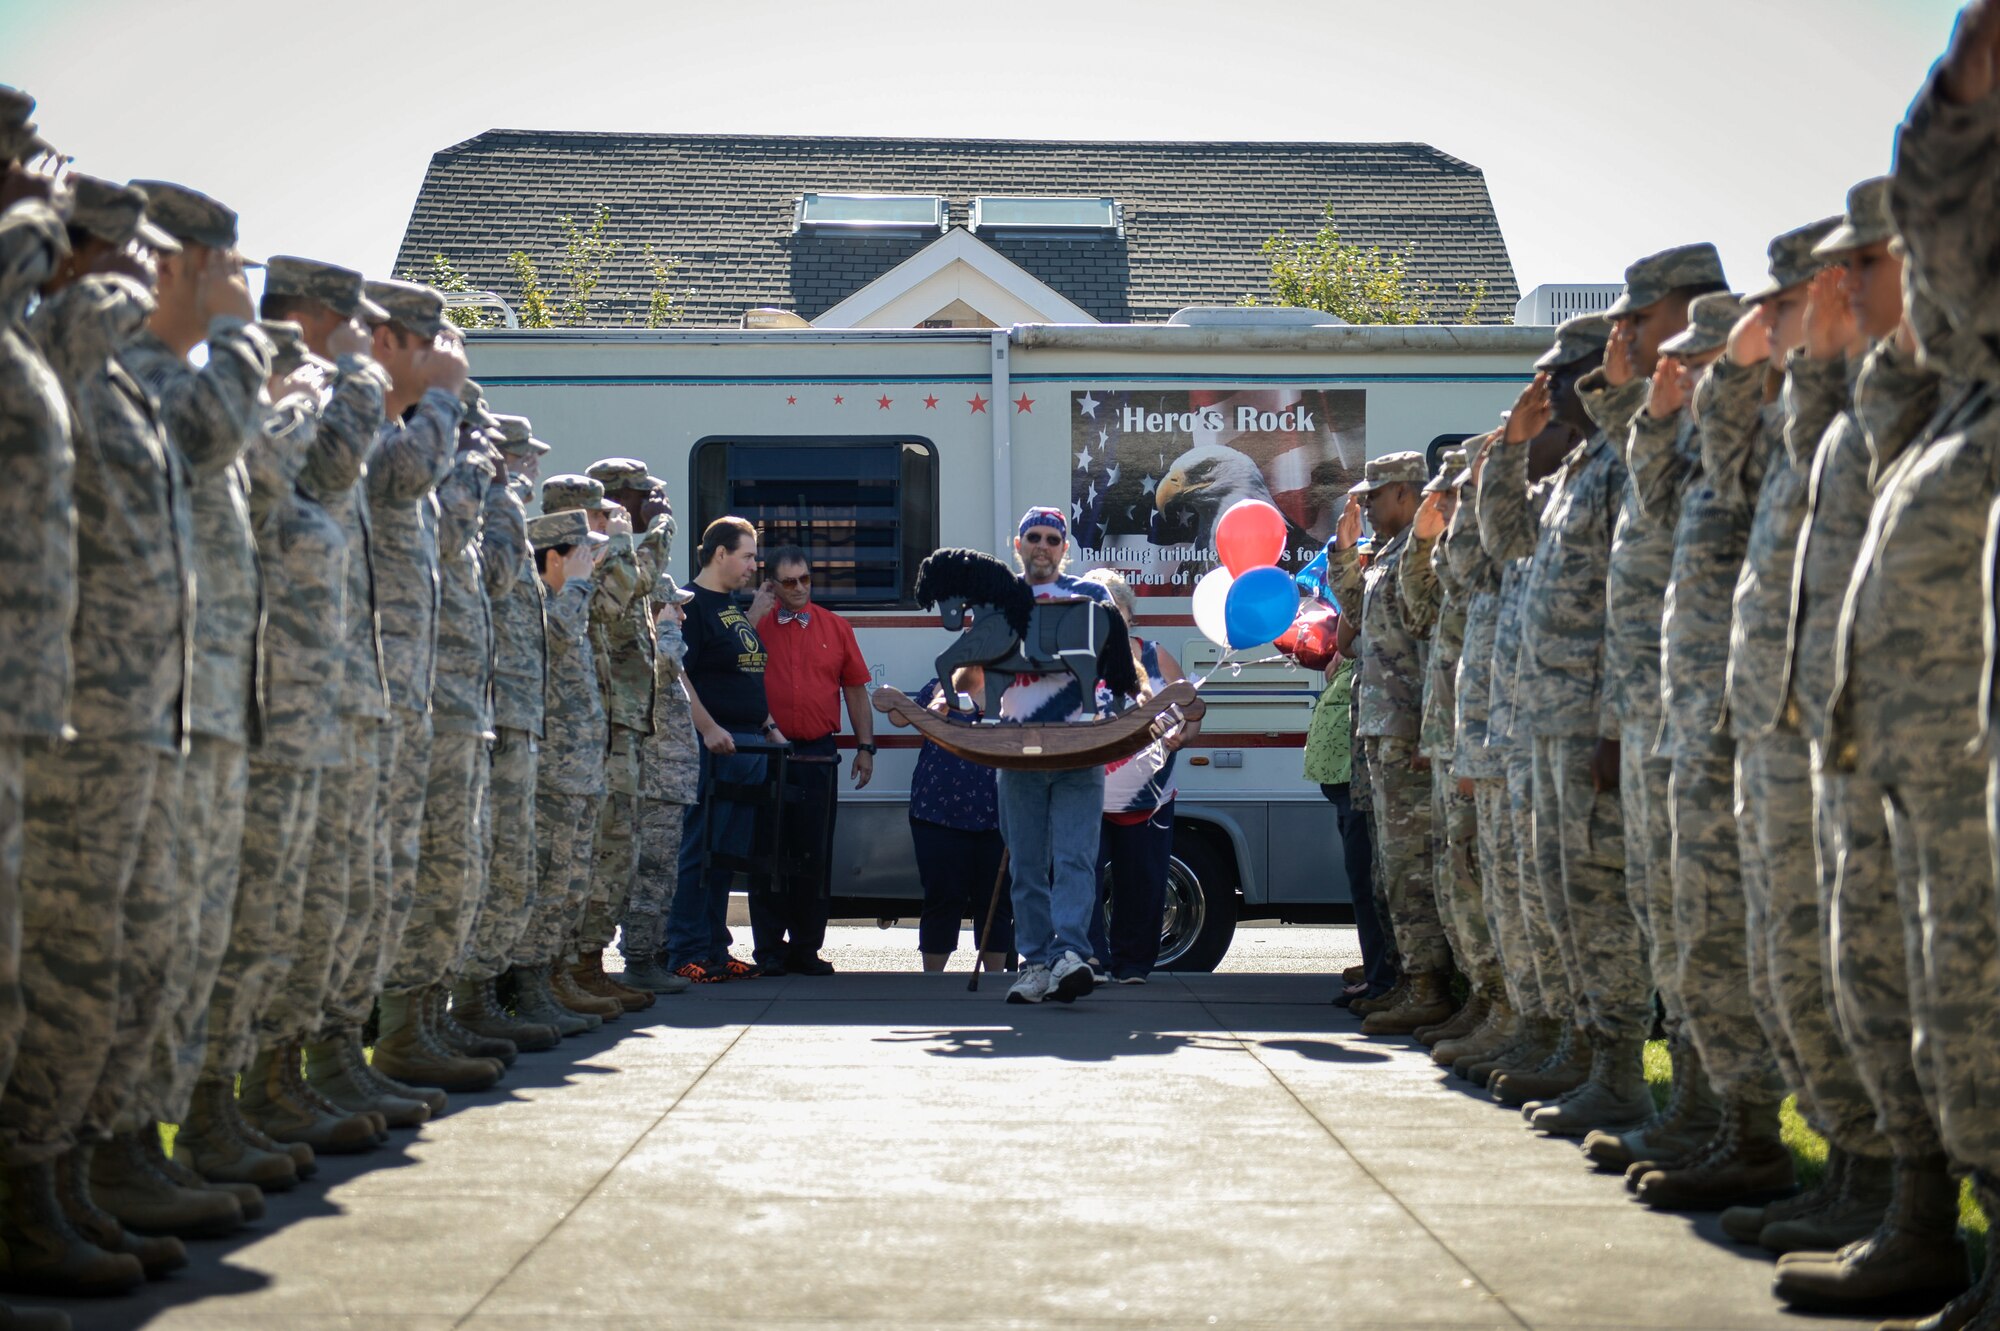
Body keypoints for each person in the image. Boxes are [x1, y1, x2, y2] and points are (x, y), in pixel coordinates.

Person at [2, 179, 185, 1295]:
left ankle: (61, 1175)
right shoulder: (58, 340)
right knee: (56, 961)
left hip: (101, 705)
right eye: (130, 256)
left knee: (108, 956)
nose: (146, 279)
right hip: (65, 705)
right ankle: (37, 1188)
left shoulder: (102, 371)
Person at [936, 507, 1120, 1005]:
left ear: (1065, 548)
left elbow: (1114, 663)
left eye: (1053, 539)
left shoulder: (1091, 597)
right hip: (1016, 752)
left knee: (1076, 860)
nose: (1043, 546)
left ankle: (1069, 955)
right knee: (1027, 867)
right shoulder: (998, 600)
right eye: (1033, 537)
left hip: (1080, 747)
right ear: (1017, 545)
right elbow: (973, 671)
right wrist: (949, 692)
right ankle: (1037, 963)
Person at [1329, 453, 1451, 1034]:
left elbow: (1432, 642)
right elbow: (1353, 619)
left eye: (1375, 498)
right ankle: (1403, 978)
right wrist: (1344, 554)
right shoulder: (1387, 558)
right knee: (1387, 869)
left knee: (1412, 869)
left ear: (1405, 494)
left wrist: (1433, 730)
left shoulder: (1425, 556)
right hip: (1378, 731)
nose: (1368, 507)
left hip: (1409, 733)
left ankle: (1429, 985)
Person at [509, 499, 614, 1033]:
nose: (591, 565)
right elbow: (556, 636)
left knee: (569, 882)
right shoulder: (544, 601)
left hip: (576, 771)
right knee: (548, 880)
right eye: (583, 555)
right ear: (555, 558)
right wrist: (574, 584)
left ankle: (553, 979)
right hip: (549, 771)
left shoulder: (566, 600)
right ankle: (530, 989)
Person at [665, 516, 784, 984]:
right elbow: (678, 674)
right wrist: (709, 727)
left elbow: (744, 673)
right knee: (698, 850)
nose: (755, 565)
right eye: (748, 555)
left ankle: (716, 949)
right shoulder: (690, 608)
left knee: (726, 855)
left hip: (749, 743)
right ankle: (684, 951)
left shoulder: (731, 607)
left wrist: (768, 724)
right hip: (712, 745)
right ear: (720, 554)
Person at [747, 544, 874, 976]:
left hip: (819, 752)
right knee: (767, 852)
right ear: (772, 585)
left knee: (813, 853)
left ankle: (806, 948)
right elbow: (728, 667)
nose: (800, 588)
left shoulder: (836, 627)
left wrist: (865, 746)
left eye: (805, 579)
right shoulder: (756, 625)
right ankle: (768, 950)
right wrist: (753, 614)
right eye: (789, 582)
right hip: (767, 750)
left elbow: (855, 688)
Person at [1083, 567, 1196, 984]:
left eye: (1116, 609)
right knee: (1082, 880)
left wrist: (1184, 734)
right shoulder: (1075, 657)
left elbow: (1192, 708)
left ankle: (1133, 965)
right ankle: (1090, 959)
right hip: (1087, 792)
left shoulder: (1155, 654)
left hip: (1149, 798)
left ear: (1130, 614)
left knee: (1143, 882)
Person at [901, 678, 1011, 974]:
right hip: (939, 814)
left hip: (1000, 816)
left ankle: (995, 984)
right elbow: (900, 717)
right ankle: (933, 985)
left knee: (997, 904)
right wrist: (944, 695)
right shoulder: (942, 685)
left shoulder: (1016, 689)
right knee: (942, 899)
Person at [1305, 623, 1383, 1007]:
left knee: (1370, 882)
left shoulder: (1368, 640)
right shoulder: (1354, 650)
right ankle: (1378, 972)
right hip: (1347, 778)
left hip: (1361, 777)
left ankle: (1382, 979)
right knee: (1363, 880)